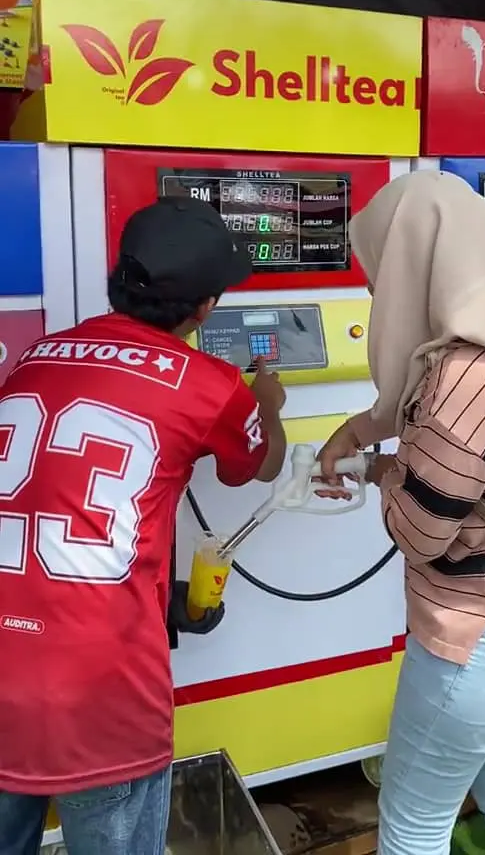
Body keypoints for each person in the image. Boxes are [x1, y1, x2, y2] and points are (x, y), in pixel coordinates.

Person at [0, 197, 286, 855]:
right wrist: (269, 406)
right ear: (206, 308)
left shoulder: (35, 356)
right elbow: (263, 467)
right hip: (100, 688)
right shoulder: (211, 383)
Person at [317, 171, 485, 855]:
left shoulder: (463, 377)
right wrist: (366, 433)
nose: (376, 289)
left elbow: (422, 530)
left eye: (384, 267)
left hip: (472, 646)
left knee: (413, 824)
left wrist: (376, 474)